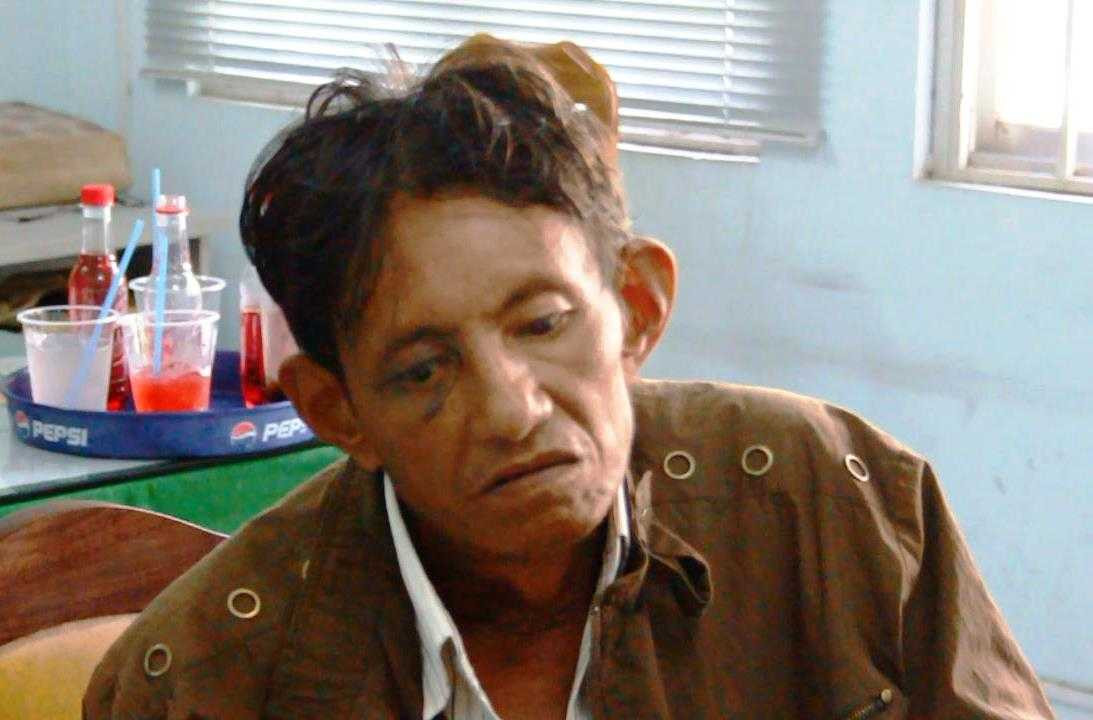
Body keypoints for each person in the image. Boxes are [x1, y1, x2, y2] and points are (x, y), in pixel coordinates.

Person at [84, 35, 1055, 719]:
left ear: (634, 307)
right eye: (422, 371)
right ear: (339, 411)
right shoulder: (200, 680)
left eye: (543, 324)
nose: (511, 410)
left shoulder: (832, 503)